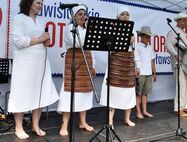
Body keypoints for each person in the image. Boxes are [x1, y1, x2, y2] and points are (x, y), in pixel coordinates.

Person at [8, 0, 59, 139]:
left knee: (39, 92)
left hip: (40, 63)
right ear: (29, 3)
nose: (41, 5)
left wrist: (45, 41)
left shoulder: (41, 20)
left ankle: (35, 125)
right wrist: (39, 39)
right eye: (38, 2)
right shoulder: (20, 18)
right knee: (21, 93)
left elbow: (40, 39)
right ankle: (19, 127)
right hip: (24, 64)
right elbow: (19, 41)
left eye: (42, 3)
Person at [57, 5, 95, 136]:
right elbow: (79, 43)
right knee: (70, 92)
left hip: (86, 62)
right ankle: (64, 124)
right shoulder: (69, 28)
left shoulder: (87, 29)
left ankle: (83, 121)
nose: (83, 16)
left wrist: (93, 65)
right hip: (74, 61)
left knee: (84, 93)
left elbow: (90, 48)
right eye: (80, 14)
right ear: (73, 16)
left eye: (85, 14)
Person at [100, 6, 140, 128]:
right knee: (114, 92)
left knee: (128, 92)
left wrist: (137, 66)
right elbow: (109, 47)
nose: (125, 16)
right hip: (116, 63)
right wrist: (126, 41)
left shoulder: (133, 31)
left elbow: (135, 50)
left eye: (127, 14)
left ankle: (127, 118)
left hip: (128, 64)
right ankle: (110, 121)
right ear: (118, 16)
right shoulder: (113, 29)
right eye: (122, 14)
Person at [165, 11, 187, 117]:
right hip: (178, 61)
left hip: (185, 61)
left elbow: (185, 47)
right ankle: (178, 108)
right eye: (183, 20)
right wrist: (175, 54)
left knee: (186, 84)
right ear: (177, 21)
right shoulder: (174, 31)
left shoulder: (184, 33)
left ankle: (184, 106)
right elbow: (168, 44)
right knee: (181, 84)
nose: (185, 22)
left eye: (186, 20)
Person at [135, 26, 157, 119]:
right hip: (140, 73)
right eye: (147, 36)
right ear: (141, 36)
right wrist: (136, 70)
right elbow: (135, 60)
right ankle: (138, 112)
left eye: (149, 36)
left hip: (148, 73)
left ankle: (144, 111)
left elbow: (152, 60)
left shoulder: (150, 47)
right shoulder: (137, 46)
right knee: (138, 93)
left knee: (145, 93)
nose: (148, 38)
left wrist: (154, 72)